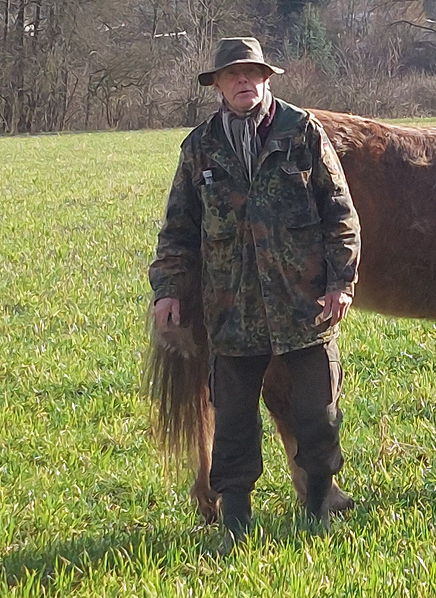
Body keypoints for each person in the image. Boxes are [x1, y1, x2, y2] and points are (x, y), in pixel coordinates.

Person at [149, 37, 360, 542]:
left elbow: (341, 216)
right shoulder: (200, 147)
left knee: (317, 416)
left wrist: (341, 283)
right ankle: (236, 525)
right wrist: (168, 290)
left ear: (267, 79)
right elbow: (178, 229)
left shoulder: (302, 133)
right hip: (231, 312)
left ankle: (317, 510)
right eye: (232, 75)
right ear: (218, 85)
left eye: (252, 73)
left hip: (303, 308)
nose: (244, 81)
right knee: (234, 426)